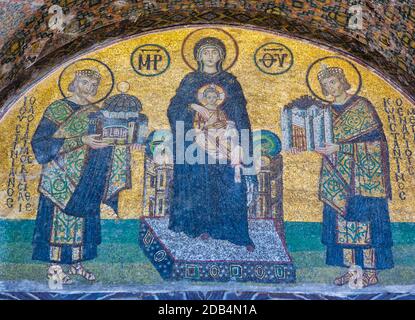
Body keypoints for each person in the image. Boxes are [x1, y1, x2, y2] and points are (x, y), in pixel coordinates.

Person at [31, 69, 132, 284]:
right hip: (59, 177)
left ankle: (77, 263)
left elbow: (103, 141)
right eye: (84, 82)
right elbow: (41, 144)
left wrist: (112, 146)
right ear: (73, 82)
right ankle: (55, 267)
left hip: (87, 178)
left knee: (82, 222)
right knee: (58, 223)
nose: (89, 88)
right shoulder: (57, 109)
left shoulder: (96, 113)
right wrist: (81, 140)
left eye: (93, 85)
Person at [167, 37, 255, 251]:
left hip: (225, 143)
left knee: (228, 184)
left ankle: (232, 232)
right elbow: (174, 109)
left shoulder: (230, 81)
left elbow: (240, 113)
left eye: (214, 52)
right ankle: (199, 227)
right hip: (196, 146)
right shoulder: (190, 80)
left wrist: (239, 138)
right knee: (199, 183)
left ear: (221, 56)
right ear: (198, 56)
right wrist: (194, 110)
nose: (210, 56)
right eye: (205, 52)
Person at [314, 65, 393, 287]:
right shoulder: (324, 112)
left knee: (365, 222)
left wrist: (340, 149)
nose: (331, 86)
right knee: (343, 223)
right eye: (326, 84)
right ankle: (352, 271)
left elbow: (377, 145)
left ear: (343, 80)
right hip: (337, 176)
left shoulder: (362, 106)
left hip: (364, 179)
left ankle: (370, 272)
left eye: (334, 81)